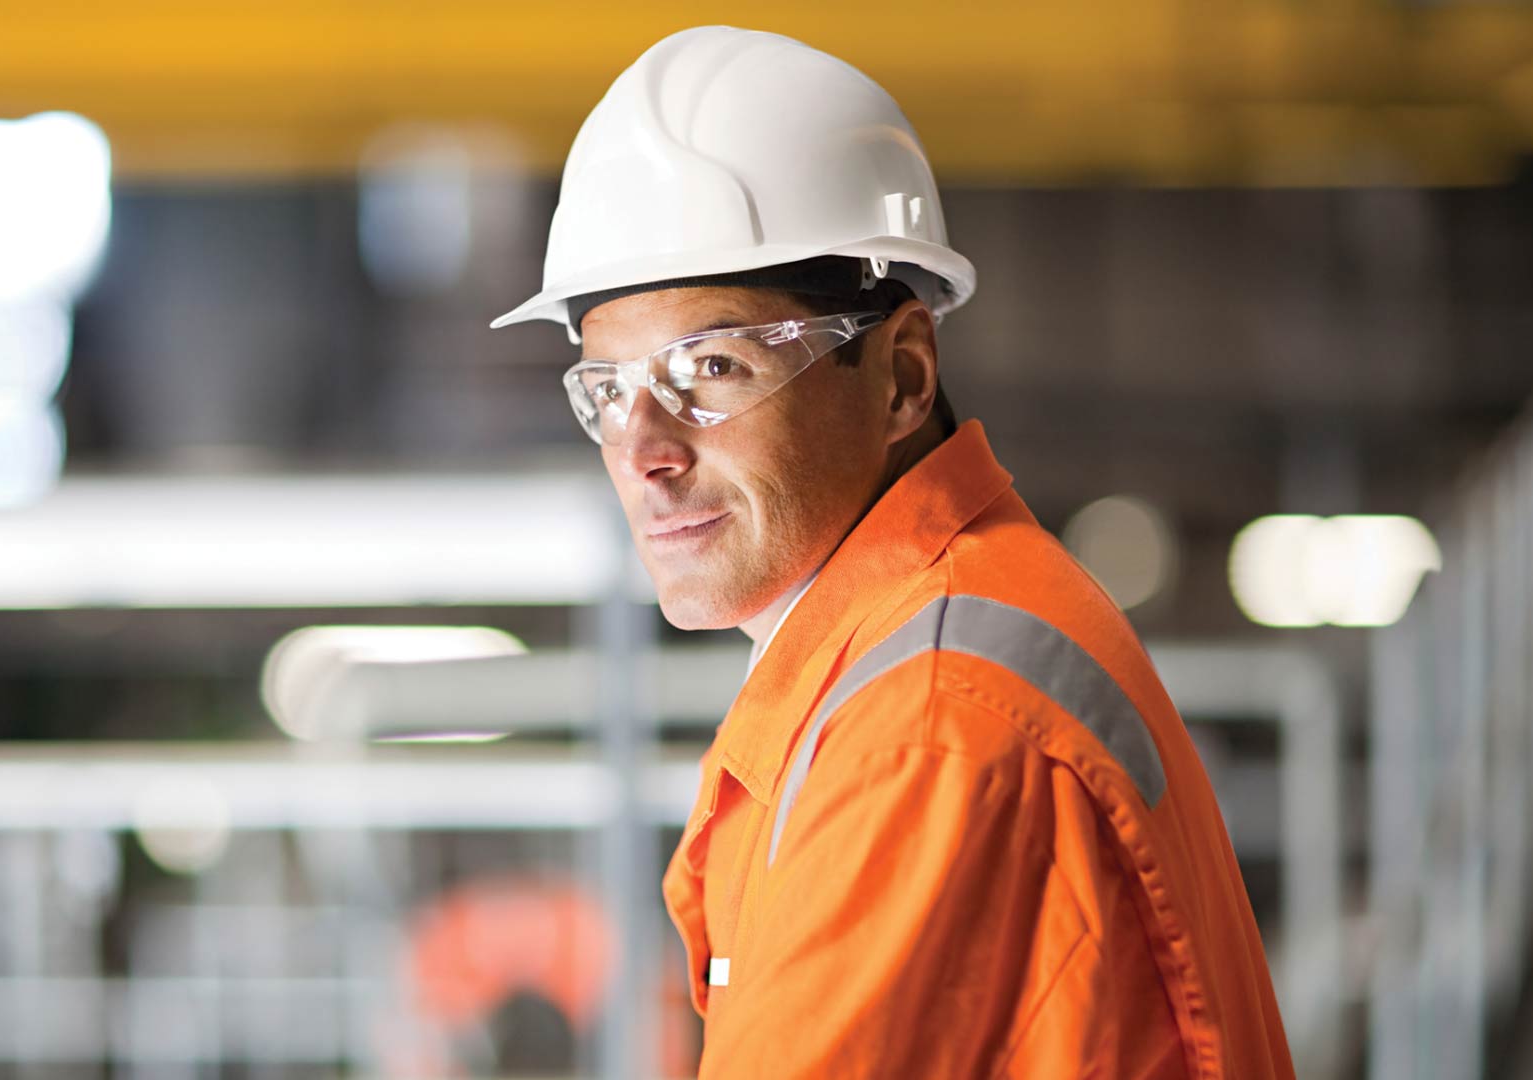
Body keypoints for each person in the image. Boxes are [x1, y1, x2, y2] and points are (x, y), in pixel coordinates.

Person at [491, 26, 1294, 1079]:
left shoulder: (928, 723)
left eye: (713, 367)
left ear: (903, 374)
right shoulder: (906, 656)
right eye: (607, 392)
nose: (644, 450)